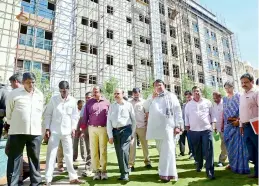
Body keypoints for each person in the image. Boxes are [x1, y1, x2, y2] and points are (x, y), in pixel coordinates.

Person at [6, 72, 44, 186]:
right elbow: (9, 113)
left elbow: (40, 111)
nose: (31, 84)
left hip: (35, 132)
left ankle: (36, 183)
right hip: (17, 131)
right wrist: (13, 124)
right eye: (28, 82)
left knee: (34, 159)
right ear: (23, 83)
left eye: (33, 82)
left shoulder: (39, 94)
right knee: (15, 159)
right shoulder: (14, 94)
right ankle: (13, 183)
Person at [43, 81, 83, 185]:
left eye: (65, 91)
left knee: (69, 155)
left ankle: (73, 177)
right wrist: (47, 128)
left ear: (68, 89)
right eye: (61, 91)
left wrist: (73, 128)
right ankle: (47, 179)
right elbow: (48, 115)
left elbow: (75, 116)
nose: (63, 93)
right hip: (54, 131)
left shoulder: (73, 101)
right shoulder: (53, 100)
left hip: (67, 132)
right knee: (51, 155)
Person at [144, 79, 182, 182]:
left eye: (159, 85)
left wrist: (178, 125)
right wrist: (152, 98)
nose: (158, 87)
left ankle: (167, 174)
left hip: (169, 127)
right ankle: (164, 171)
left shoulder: (171, 96)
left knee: (169, 149)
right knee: (161, 150)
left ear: (164, 85)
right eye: (156, 85)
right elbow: (145, 107)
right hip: (157, 129)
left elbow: (177, 110)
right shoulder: (152, 97)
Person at [185, 86, 215, 180]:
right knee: (197, 150)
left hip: (206, 129)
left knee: (209, 150)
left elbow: (212, 114)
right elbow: (186, 116)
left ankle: (209, 171)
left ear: (201, 92)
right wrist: (187, 126)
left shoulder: (207, 102)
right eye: (194, 91)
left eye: (198, 91)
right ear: (192, 93)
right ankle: (199, 164)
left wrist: (213, 126)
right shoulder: (189, 104)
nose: (196, 92)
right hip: (194, 130)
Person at [107, 89, 136, 181]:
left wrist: (132, 133)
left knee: (123, 150)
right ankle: (123, 172)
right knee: (119, 152)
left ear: (123, 94)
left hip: (126, 130)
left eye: (118, 93)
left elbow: (134, 120)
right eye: (114, 93)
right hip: (115, 131)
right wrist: (110, 135)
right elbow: (109, 121)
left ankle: (125, 173)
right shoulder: (112, 106)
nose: (116, 95)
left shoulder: (128, 105)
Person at [81, 86, 109, 180]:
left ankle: (104, 171)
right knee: (93, 150)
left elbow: (110, 117)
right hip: (92, 128)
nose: (94, 93)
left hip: (103, 128)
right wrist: (83, 129)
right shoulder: (89, 102)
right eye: (93, 92)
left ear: (100, 92)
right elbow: (85, 116)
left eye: (96, 92)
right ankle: (96, 171)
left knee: (103, 150)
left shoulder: (107, 102)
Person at [222, 81, 250, 174]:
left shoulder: (239, 96)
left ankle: (241, 166)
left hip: (237, 124)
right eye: (226, 88)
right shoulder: (225, 99)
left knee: (239, 146)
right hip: (228, 125)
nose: (227, 90)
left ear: (233, 87)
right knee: (229, 146)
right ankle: (232, 164)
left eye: (229, 87)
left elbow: (243, 109)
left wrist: (238, 120)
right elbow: (224, 113)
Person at [239, 73, 258, 178]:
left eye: (246, 82)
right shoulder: (242, 96)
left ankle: (257, 173)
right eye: (242, 83)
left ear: (252, 82)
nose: (243, 84)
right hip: (245, 126)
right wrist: (241, 125)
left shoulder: (256, 93)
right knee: (251, 151)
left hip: (255, 125)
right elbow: (241, 112)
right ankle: (257, 171)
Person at [129, 88, 151, 172]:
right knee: (131, 146)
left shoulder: (144, 102)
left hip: (142, 126)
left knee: (144, 145)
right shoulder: (129, 102)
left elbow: (147, 114)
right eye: (134, 93)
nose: (136, 94)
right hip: (132, 128)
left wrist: (147, 126)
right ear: (132, 94)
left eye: (137, 93)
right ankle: (131, 164)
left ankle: (147, 162)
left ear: (139, 93)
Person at [212, 92, 227, 167]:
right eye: (214, 98)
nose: (214, 100)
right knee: (223, 143)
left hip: (226, 127)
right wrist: (214, 127)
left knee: (224, 144)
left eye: (216, 98)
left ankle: (221, 160)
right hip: (218, 128)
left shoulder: (224, 103)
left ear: (220, 97)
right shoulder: (214, 105)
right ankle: (222, 159)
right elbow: (214, 116)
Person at [80, 92, 92, 177]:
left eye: (89, 97)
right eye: (86, 97)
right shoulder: (84, 107)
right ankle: (89, 167)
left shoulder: (94, 105)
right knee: (89, 149)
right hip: (86, 130)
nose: (87, 99)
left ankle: (90, 168)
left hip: (94, 129)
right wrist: (82, 130)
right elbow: (81, 119)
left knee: (93, 149)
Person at [179, 90, 193, 158]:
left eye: (189, 97)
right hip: (183, 124)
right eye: (186, 97)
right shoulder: (184, 105)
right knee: (181, 139)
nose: (188, 98)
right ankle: (182, 152)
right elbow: (182, 115)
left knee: (190, 139)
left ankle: (191, 152)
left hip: (190, 126)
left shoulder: (193, 104)